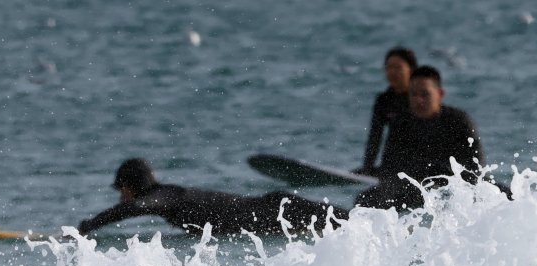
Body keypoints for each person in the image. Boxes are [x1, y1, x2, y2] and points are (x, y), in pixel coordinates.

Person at [77, 159, 349, 236]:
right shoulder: (168, 193)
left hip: (273, 211)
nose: (120, 195)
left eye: (121, 188)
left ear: (133, 185)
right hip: (272, 210)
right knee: (348, 223)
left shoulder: (163, 196)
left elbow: (136, 207)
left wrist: (87, 227)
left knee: (354, 223)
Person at [355, 65, 485, 210]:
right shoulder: (401, 123)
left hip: (452, 189)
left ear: (440, 94)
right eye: (413, 94)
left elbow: (477, 167)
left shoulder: (459, 121)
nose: (418, 100)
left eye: (424, 94)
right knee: (364, 199)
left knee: (501, 192)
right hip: (412, 190)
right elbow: (390, 166)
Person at [354, 47, 418, 177]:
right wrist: (367, 168)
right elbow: (375, 137)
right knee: (355, 174)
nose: (392, 72)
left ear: (411, 70)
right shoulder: (383, 100)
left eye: (398, 67)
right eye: (388, 67)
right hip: (390, 167)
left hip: (418, 168)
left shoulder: (420, 100)